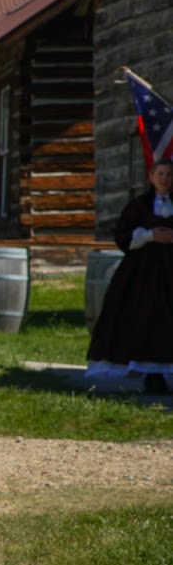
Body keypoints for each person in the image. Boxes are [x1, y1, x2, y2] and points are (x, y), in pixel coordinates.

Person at [87, 157, 173, 393]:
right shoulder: (139, 206)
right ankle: (150, 373)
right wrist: (149, 235)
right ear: (152, 177)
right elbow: (122, 236)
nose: (165, 179)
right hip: (143, 273)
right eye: (161, 174)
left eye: (169, 175)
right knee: (145, 317)